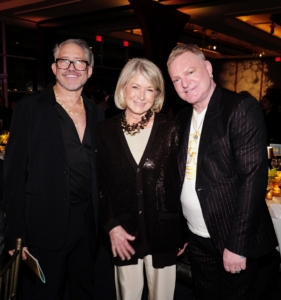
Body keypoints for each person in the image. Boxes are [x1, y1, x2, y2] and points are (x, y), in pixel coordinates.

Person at [167, 44, 279, 300]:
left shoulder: (239, 108)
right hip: (196, 236)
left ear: (208, 68)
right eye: (176, 79)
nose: (184, 83)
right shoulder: (183, 117)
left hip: (231, 237)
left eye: (190, 72)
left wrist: (237, 246)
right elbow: (182, 178)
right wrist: (181, 233)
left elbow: (254, 178)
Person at [3, 38, 104, 300]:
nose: (72, 67)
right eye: (64, 61)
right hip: (44, 224)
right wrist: (15, 230)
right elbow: (13, 174)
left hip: (87, 224)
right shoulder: (29, 108)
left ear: (89, 70)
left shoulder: (98, 114)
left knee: (84, 289)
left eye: (79, 61)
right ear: (54, 67)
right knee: (45, 294)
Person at [96, 58, 187, 300]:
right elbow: (98, 185)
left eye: (150, 89)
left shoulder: (171, 129)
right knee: (128, 295)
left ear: (157, 94)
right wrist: (111, 225)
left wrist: (182, 232)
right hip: (123, 233)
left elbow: (182, 184)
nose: (141, 95)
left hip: (164, 232)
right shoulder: (104, 132)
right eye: (135, 86)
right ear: (122, 88)